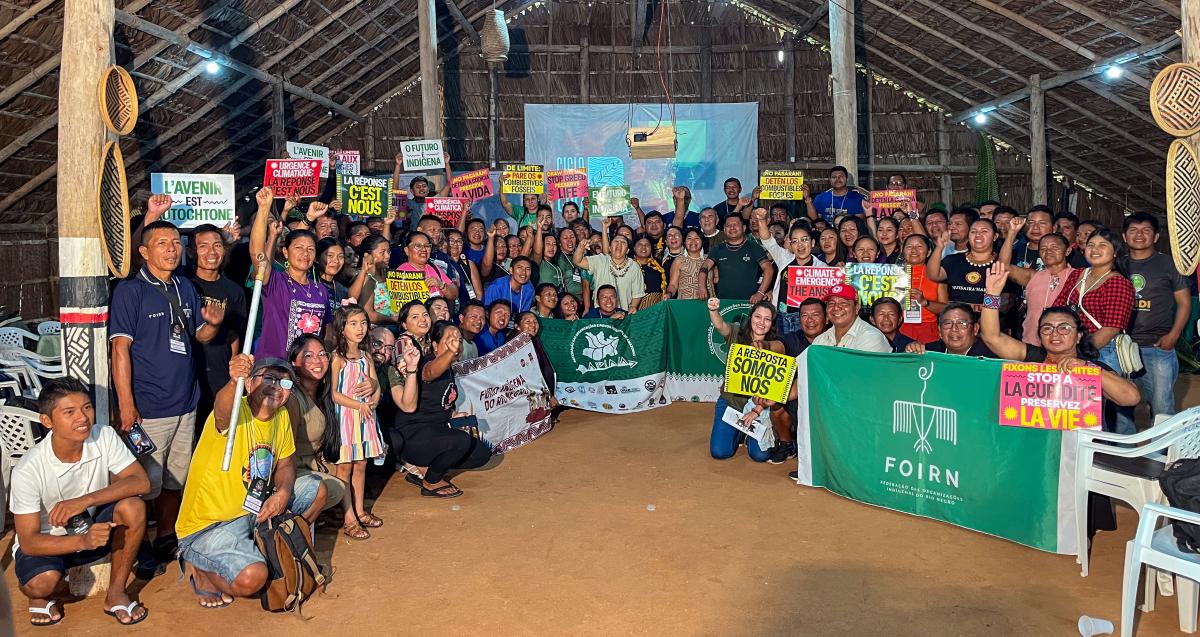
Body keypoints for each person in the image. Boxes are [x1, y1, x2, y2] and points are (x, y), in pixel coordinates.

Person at [110, 215, 224, 577]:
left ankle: (164, 536)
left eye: (176, 242)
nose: (172, 249)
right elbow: (120, 350)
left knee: (175, 479)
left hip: (186, 403)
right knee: (143, 484)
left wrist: (213, 324)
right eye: (162, 243)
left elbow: (198, 336)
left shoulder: (184, 286)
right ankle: (137, 546)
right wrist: (126, 405)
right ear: (144, 252)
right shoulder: (130, 291)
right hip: (149, 408)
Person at [176, 354, 326, 608]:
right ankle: (201, 570)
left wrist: (282, 493)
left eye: (285, 383)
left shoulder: (281, 416)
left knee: (317, 490)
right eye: (269, 378)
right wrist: (234, 381)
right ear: (249, 383)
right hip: (211, 525)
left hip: (255, 512)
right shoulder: (236, 410)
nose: (277, 387)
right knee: (252, 579)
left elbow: (285, 464)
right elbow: (222, 410)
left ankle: (267, 547)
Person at [11, 378, 150, 626]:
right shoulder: (28, 469)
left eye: (87, 407)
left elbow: (141, 482)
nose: (83, 418)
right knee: (41, 584)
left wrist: (84, 501)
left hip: (92, 525)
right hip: (50, 541)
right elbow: (29, 542)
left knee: (134, 507)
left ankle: (116, 593)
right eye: (69, 412)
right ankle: (40, 595)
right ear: (47, 421)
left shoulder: (104, 435)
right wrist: (83, 541)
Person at [981, 263, 1140, 432]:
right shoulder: (1032, 356)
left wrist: (1087, 369)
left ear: (1079, 335)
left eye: (1064, 328)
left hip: (1077, 445)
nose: (1055, 334)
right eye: (1047, 328)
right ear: (1040, 335)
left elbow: (1131, 398)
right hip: (1032, 441)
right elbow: (991, 337)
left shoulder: (1090, 366)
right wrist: (992, 294)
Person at [391, 321, 493, 497]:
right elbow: (430, 373)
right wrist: (450, 352)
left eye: (458, 340)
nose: (456, 345)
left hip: (435, 431)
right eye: (450, 340)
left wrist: (454, 414)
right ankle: (431, 481)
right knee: (460, 441)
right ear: (435, 346)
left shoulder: (450, 369)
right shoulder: (427, 363)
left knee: (481, 454)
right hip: (413, 435)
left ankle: (425, 469)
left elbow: (438, 402)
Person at [1119, 212, 1191, 431]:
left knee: (1162, 406)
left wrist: (1174, 336)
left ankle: (1162, 449)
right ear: (1124, 236)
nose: (1139, 235)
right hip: (1121, 347)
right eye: (1133, 230)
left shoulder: (1168, 264)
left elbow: (1184, 303)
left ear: (1156, 236)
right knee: (1120, 406)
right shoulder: (1116, 263)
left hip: (1157, 346)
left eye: (1146, 230)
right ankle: (1122, 448)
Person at [247, 187, 330, 359]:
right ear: (285, 252)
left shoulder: (321, 290)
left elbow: (326, 334)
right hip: (275, 366)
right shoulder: (275, 282)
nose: (305, 254)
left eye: (310, 249)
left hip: (308, 370)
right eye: (298, 248)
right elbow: (257, 253)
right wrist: (263, 209)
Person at [1053, 228, 1136, 392]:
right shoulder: (1077, 274)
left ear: (1115, 252)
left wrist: (1080, 354)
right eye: (1090, 245)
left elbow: (1111, 329)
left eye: (1102, 245)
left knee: (1099, 403)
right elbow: (1058, 308)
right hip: (1070, 350)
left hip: (1102, 352)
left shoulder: (1118, 283)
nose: (1095, 249)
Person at [329, 305, 386, 540]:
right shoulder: (337, 358)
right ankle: (349, 517)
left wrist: (373, 399)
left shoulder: (366, 356)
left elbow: (376, 385)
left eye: (363, 323)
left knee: (361, 464)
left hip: (365, 418)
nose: (360, 328)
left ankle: (360, 510)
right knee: (345, 467)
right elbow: (334, 394)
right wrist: (358, 405)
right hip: (346, 418)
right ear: (341, 328)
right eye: (353, 324)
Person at [706, 299, 782, 462]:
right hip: (730, 402)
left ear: (772, 324)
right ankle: (739, 432)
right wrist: (713, 310)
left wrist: (757, 411)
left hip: (758, 408)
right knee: (720, 452)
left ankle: (754, 434)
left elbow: (776, 386)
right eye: (758, 317)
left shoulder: (776, 345)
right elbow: (720, 325)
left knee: (760, 455)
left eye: (767, 319)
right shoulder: (736, 333)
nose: (761, 322)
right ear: (751, 317)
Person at [187, 224, 246, 436]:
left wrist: (233, 377)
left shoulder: (234, 291)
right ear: (190, 252)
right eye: (203, 246)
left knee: (217, 435)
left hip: (219, 376)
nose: (211, 252)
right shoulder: (183, 283)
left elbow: (235, 336)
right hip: (187, 375)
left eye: (217, 245)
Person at [284, 335, 347, 518]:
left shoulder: (327, 391)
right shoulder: (292, 398)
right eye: (308, 356)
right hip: (291, 469)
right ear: (294, 362)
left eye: (322, 354)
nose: (317, 361)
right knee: (334, 487)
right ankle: (294, 524)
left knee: (349, 467)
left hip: (315, 463)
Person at [999, 222, 1074, 346]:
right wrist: (1012, 233)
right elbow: (1003, 266)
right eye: (1043, 249)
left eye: (1054, 247)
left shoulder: (1078, 277)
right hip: (1032, 343)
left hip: (1065, 346)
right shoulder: (1033, 276)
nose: (1048, 251)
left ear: (1068, 251)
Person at [572, 217, 645, 311]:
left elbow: (637, 293)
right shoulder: (600, 260)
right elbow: (577, 261)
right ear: (610, 248)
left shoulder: (634, 266)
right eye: (616, 242)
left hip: (624, 314)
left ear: (627, 250)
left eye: (623, 242)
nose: (619, 244)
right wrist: (580, 248)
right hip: (601, 315)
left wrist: (633, 306)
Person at [698, 214, 775, 301]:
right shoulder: (718, 249)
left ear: (744, 228)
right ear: (724, 229)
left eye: (735, 224)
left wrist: (760, 292)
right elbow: (705, 267)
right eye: (728, 225)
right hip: (724, 303)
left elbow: (769, 269)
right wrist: (702, 287)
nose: (732, 227)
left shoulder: (754, 247)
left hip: (749, 302)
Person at [812, 284, 890, 352]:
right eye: (831, 303)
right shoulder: (820, 340)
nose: (836, 307)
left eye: (843, 303)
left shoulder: (871, 337)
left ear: (857, 308)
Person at [905, 303, 996, 357]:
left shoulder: (992, 357)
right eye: (948, 323)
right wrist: (910, 353)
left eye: (962, 323)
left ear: (975, 329)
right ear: (939, 331)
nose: (954, 329)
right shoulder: (929, 352)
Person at [900, 234, 943, 344]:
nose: (914, 250)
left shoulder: (937, 274)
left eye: (919, 246)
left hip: (929, 331)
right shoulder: (892, 273)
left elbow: (945, 308)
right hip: (899, 329)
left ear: (928, 252)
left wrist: (925, 302)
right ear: (903, 251)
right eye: (909, 246)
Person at [353, 234, 398, 327]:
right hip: (379, 329)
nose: (387, 256)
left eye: (388, 252)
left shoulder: (390, 274)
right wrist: (393, 319)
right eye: (382, 252)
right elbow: (370, 316)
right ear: (367, 256)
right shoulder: (365, 278)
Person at [665, 227, 708, 300]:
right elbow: (673, 285)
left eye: (697, 238)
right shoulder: (679, 260)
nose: (693, 241)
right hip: (685, 303)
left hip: (709, 303)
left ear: (702, 241)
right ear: (684, 242)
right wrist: (669, 294)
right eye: (689, 238)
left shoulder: (709, 259)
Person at [1011, 206, 1054, 270]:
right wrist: (1012, 231)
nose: (1035, 227)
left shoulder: (1059, 252)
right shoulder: (1015, 250)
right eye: (1031, 222)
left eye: (1042, 223)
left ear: (1054, 228)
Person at [315, 238, 350, 315]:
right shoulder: (309, 283)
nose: (336, 261)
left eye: (340, 256)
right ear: (317, 258)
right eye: (330, 255)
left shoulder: (341, 290)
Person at [632, 236, 666, 309]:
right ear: (634, 248)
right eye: (640, 244)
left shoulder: (658, 266)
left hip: (658, 307)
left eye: (647, 244)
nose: (644, 247)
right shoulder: (629, 266)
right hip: (636, 308)